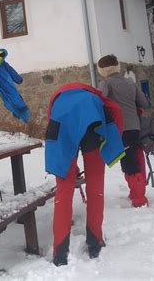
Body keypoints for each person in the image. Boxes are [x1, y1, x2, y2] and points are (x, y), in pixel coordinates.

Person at [45, 82, 125, 266]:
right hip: (94, 126)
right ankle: (95, 242)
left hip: (61, 125)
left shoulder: (57, 100)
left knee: (64, 190)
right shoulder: (95, 97)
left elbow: (59, 135)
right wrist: (113, 137)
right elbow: (117, 111)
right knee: (95, 186)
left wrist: (69, 168)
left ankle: (60, 253)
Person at [97, 54, 151, 207]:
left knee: (128, 162)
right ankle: (136, 192)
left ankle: (139, 198)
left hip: (119, 129)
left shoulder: (105, 83)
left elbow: (100, 103)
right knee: (134, 158)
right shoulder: (129, 83)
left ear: (102, 70)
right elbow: (145, 103)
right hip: (135, 127)